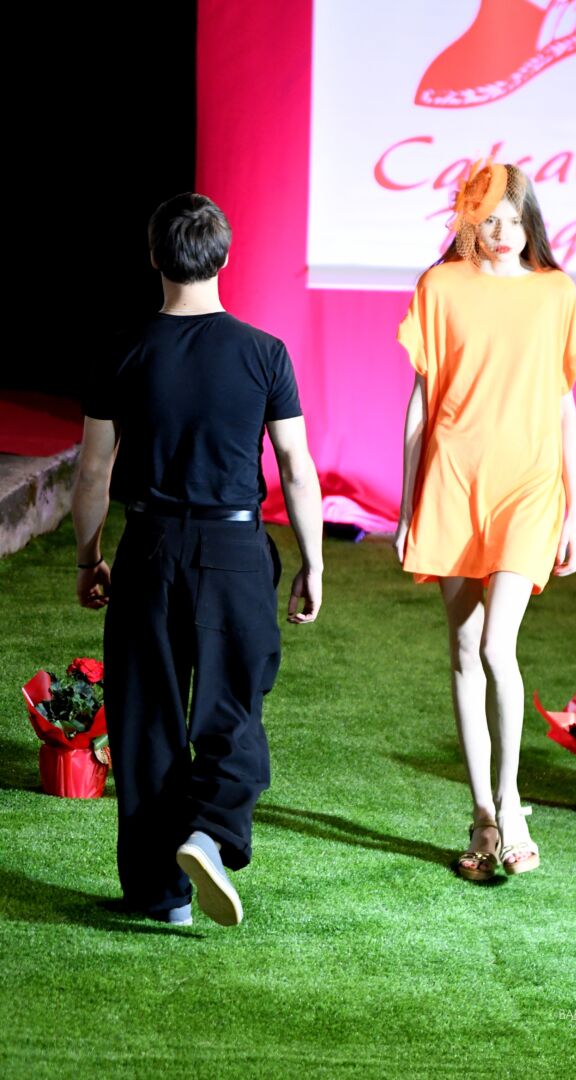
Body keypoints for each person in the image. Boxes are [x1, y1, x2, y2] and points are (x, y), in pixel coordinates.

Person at [72, 193, 323, 926]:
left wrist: (89, 558)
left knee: (144, 719)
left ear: (154, 256)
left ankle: (161, 898)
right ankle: (209, 835)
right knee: (234, 706)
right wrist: (312, 561)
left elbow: (92, 472)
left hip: (148, 547)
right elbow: (296, 468)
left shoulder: (121, 349)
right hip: (235, 551)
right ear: (225, 257)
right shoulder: (264, 353)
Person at [393, 162, 576, 880]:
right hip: (453, 480)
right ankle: (481, 816)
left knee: (494, 646)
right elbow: (421, 404)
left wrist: (575, 508)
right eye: (486, 221)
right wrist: (407, 503)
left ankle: (510, 806)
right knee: (462, 648)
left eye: (512, 219)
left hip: (529, 487)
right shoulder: (441, 287)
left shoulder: (554, 292)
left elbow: (565, 406)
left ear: (529, 220)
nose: (501, 233)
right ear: (466, 224)